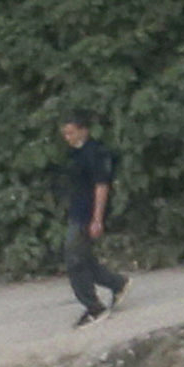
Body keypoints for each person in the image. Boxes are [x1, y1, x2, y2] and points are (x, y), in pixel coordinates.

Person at [58, 117, 125, 326]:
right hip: (77, 211)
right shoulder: (75, 154)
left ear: (83, 130)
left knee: (74, 259)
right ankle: (117, 283)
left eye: (71, 132)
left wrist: (97, 218)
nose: (67, 137)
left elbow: (101, 186)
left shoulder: (94, 153)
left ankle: (93, 307)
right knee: (83, 257)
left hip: (88, 213)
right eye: (65, 133)